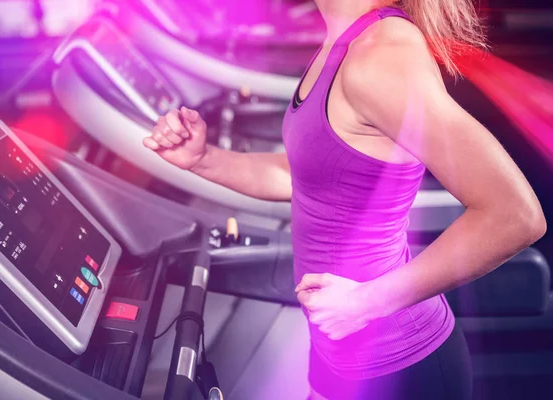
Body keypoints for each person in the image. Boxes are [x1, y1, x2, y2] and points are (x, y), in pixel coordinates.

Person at [142, 1, 547, 398]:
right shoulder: (342, 40)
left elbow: (514, 213)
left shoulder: (382, 56)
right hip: (337, 352)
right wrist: (203, 159)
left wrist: (366, 303)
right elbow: (301, 175)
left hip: (399, 364)